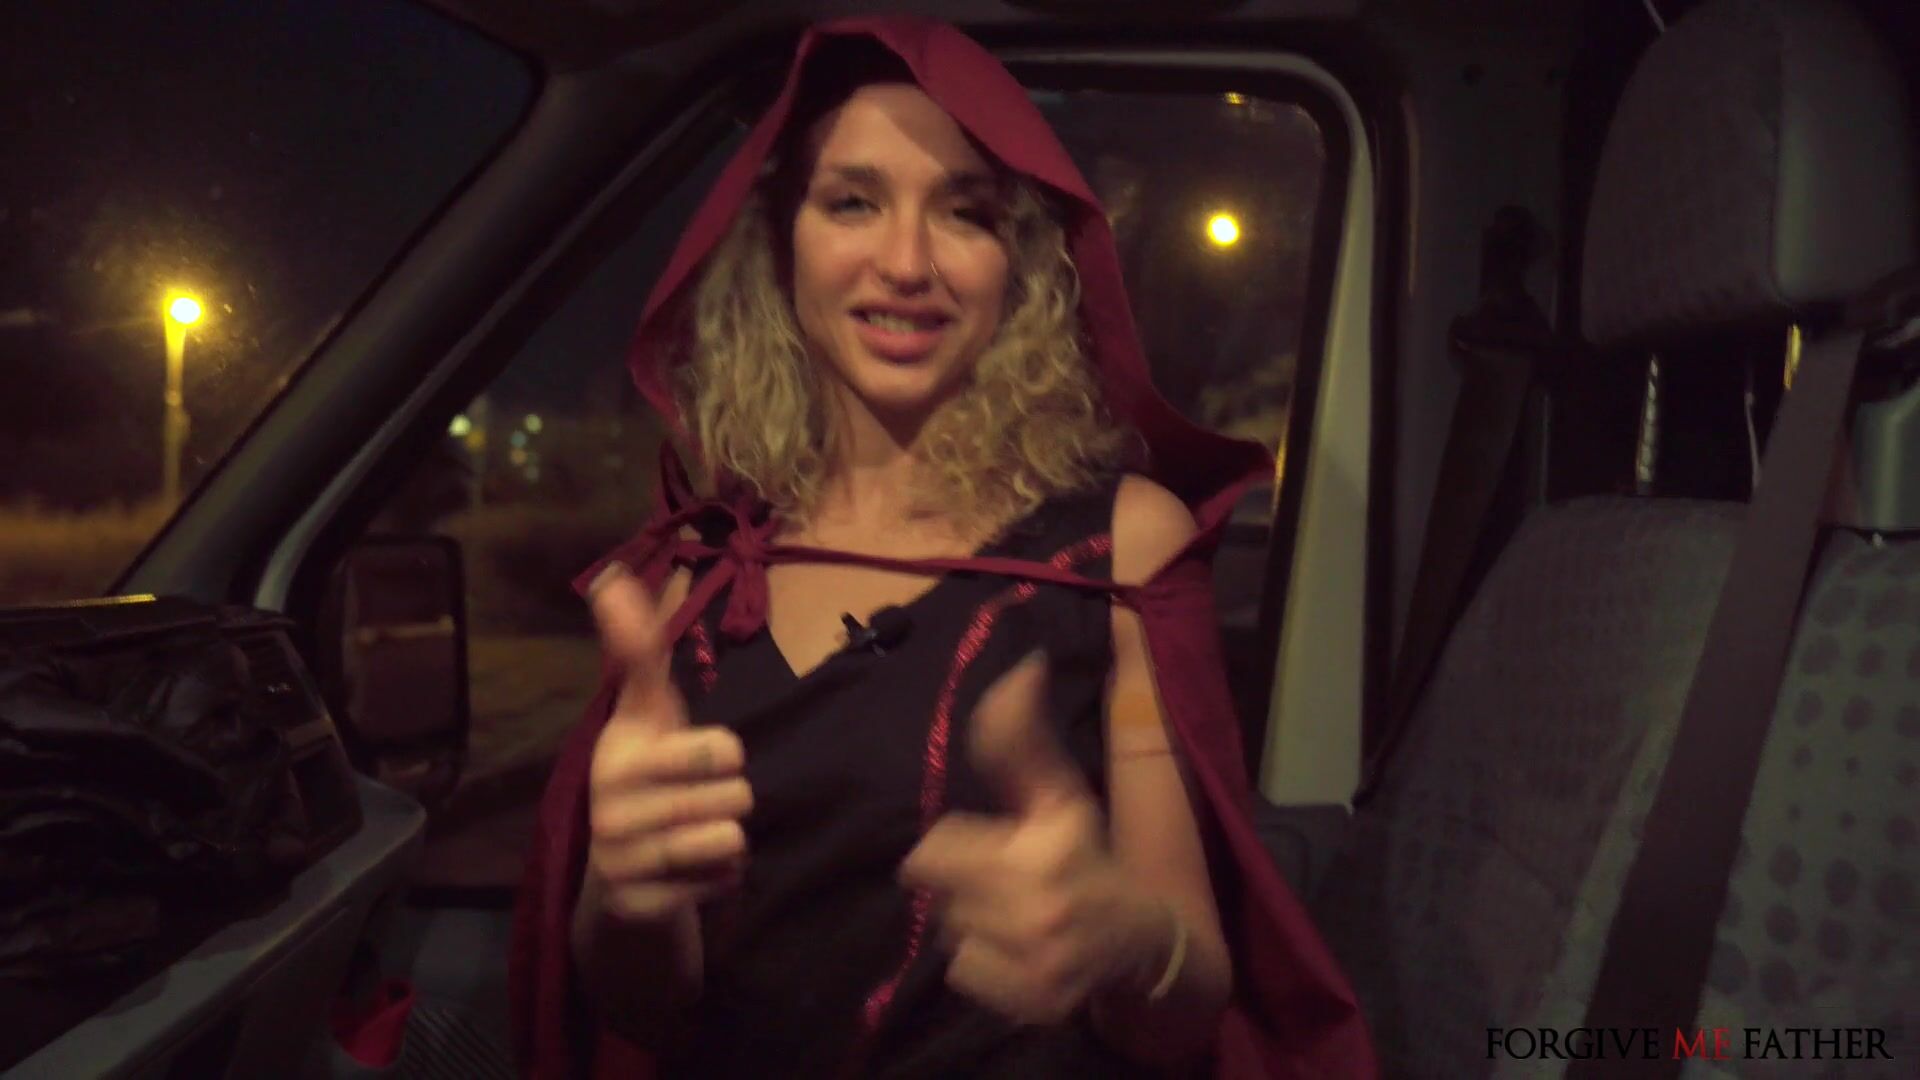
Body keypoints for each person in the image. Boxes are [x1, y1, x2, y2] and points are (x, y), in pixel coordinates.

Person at [510, 16, 1375, 1079]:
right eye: (854, 202)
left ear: (1022, 265)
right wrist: (625, 896)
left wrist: (1122, 938)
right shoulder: (696, 579)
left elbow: (1187, 1001)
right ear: (781, 242)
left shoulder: (1117, 548)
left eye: (966, 213)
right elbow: (646, 1015)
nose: (908, 263)